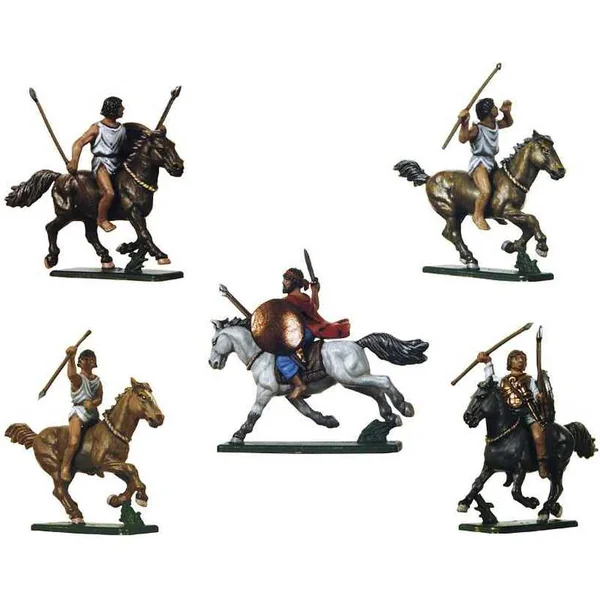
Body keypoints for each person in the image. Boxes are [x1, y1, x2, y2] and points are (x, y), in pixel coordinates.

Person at [276, 268, 350, 401]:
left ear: (294, 282)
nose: (283, 282)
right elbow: (315, 306)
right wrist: (315, 291)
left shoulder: (289, 300)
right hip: (310, 331)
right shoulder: (304, 297)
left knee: (282, 357)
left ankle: (299, 385)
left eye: (286, 280)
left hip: (303, 333)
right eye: (284, 279)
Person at [476, 349, 548, 478]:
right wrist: (487, 362)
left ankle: (541, 462)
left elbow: (535, 393)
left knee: (538, 436)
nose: (520, 361)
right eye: (516, 358)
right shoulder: (503, 381)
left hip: (527, 413)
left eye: (523, 359)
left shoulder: (529, 380)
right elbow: (490, 379)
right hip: (510, 414)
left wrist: (539, 397)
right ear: (510, 362)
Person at [67, 96, 127, 233]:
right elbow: (79, 143)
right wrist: (74, 161)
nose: (123, 109)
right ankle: (101, 219)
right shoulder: (97, 128)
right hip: (102, 163)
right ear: (113, 109)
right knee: (109, 193)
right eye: (120, 107)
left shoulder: (122, 129)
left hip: (117, 162)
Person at [458, 97, 513, 231]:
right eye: (494, 107)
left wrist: (506, 112)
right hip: (480, 163)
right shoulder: (477, 129)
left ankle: (495, 211)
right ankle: (477, 215)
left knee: (501, 185)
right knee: (486, 191)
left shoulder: (495, 124)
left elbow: (508, 123)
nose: (496, 108)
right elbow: (463, 138)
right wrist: (464, 122)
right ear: (488, 112)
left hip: (491, 161)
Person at [60, 347, 103, 482]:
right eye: (85, 359)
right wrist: (71, 358)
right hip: (79, 413)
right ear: (80, 362)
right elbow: (71, 375)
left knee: (103, 438)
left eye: (91, 359)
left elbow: (99, 397)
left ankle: (98, 464)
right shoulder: (79, 379)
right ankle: (65, 467)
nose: (89, 361)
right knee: (74, 441)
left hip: (93, 414)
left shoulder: (97, 381)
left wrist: (93, 403)